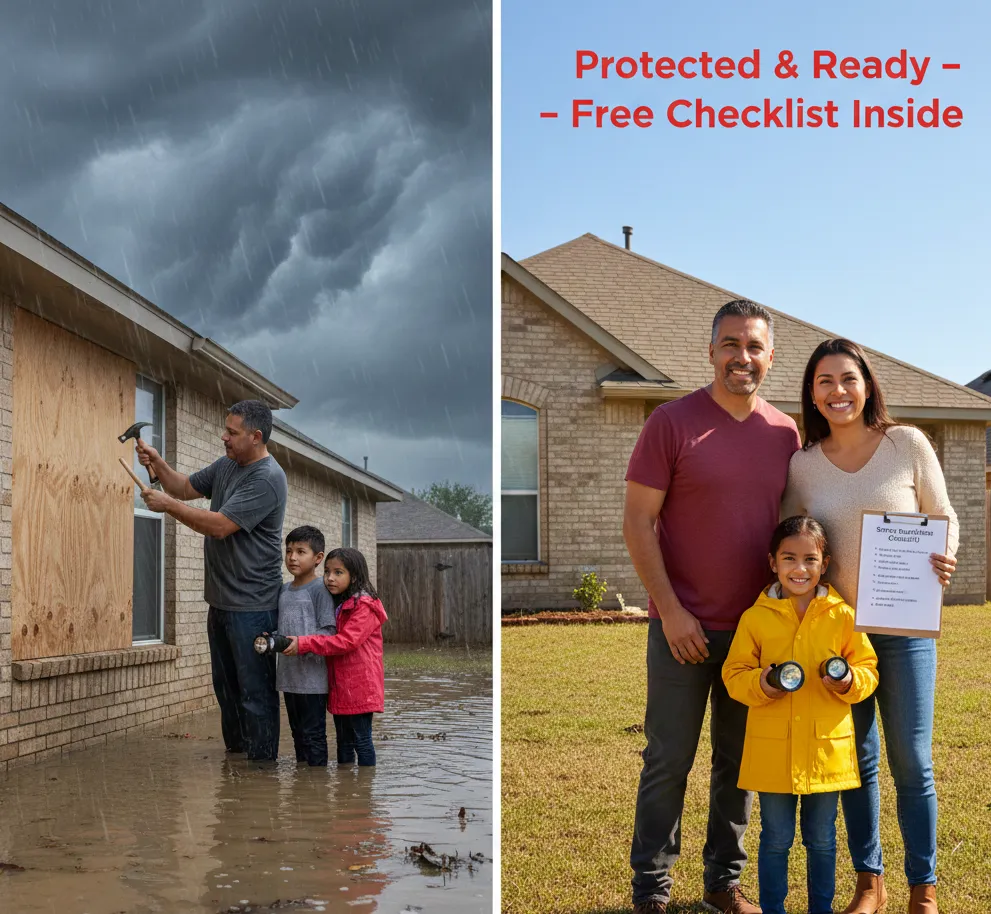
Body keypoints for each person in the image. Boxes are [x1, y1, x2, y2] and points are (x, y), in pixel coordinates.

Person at [623, 300, 802, 914]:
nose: (741, 357)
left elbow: (800, 530)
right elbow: (638, 523)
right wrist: (671, 611)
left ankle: (723, 883)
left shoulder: (785, 433)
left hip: (755, 633)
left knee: (738, 761)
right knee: (669, 759)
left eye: (753, 347)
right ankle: (651, 887)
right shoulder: (670, 423)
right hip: (681, 627)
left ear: (770, 357)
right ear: (710, 351)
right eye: (730, 344)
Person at [782, 338, 958, 914]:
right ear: (812, 393)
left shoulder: (907, 444)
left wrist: (945, 554)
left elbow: (943, 514)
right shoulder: (803, 465)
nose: (838, 391)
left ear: (867, 384)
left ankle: (923, 890)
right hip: (839, 636)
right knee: (855, 760)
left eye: (848, 379)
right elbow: (792, 539)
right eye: (824, 381)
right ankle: (869, 882)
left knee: (912, 758)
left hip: (904, 631)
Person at [723, 516, 879, 914]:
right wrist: (764, 683)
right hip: (774, 753)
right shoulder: (755, 618)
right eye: (789, 558)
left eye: (810, 559)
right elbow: (734, 675)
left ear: (824, 564)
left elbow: (867, 669)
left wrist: (846, 683)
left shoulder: (842, 615)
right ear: (772, 562)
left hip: (825, 752)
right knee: (775, 837)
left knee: (822, 838)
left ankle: (819, 909)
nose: (799, 568)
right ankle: (774, 908)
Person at [136, 399, 288, 762]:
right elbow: (184, 487)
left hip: (254, 607)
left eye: (231, 432)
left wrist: (167, 506)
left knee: (255, 693)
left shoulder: (267, 478)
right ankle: (237, 768)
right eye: (226, 429)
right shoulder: (227, 465)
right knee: (227, 692)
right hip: (220, 603)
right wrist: (157, 463)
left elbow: (220, 526)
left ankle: (261, 772)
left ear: (256, 436)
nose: (224, 437)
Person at [281, 547, 386, 767]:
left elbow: (346, 642)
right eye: (327, 571)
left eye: (338, 573)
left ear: (354, 576)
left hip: (360, 686)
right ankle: (345, 790)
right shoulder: (341, 603)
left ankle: (364, 791)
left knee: (362, 740)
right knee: (344, 742)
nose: (329, 578)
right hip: (341, 686)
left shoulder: (363, 607)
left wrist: (304, 643)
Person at [276, 525, 337, 767]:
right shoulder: (283, 589)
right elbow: (281, 628)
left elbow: (329, 631)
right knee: (297, 736)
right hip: (289, 677)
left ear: (318, 558)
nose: (292, 557)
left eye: (301, 551)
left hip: (313, 680)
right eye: (289, 550)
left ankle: (317, 792)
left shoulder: (321, 589)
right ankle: (304, 794)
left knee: (313, 736)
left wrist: (302, 644)